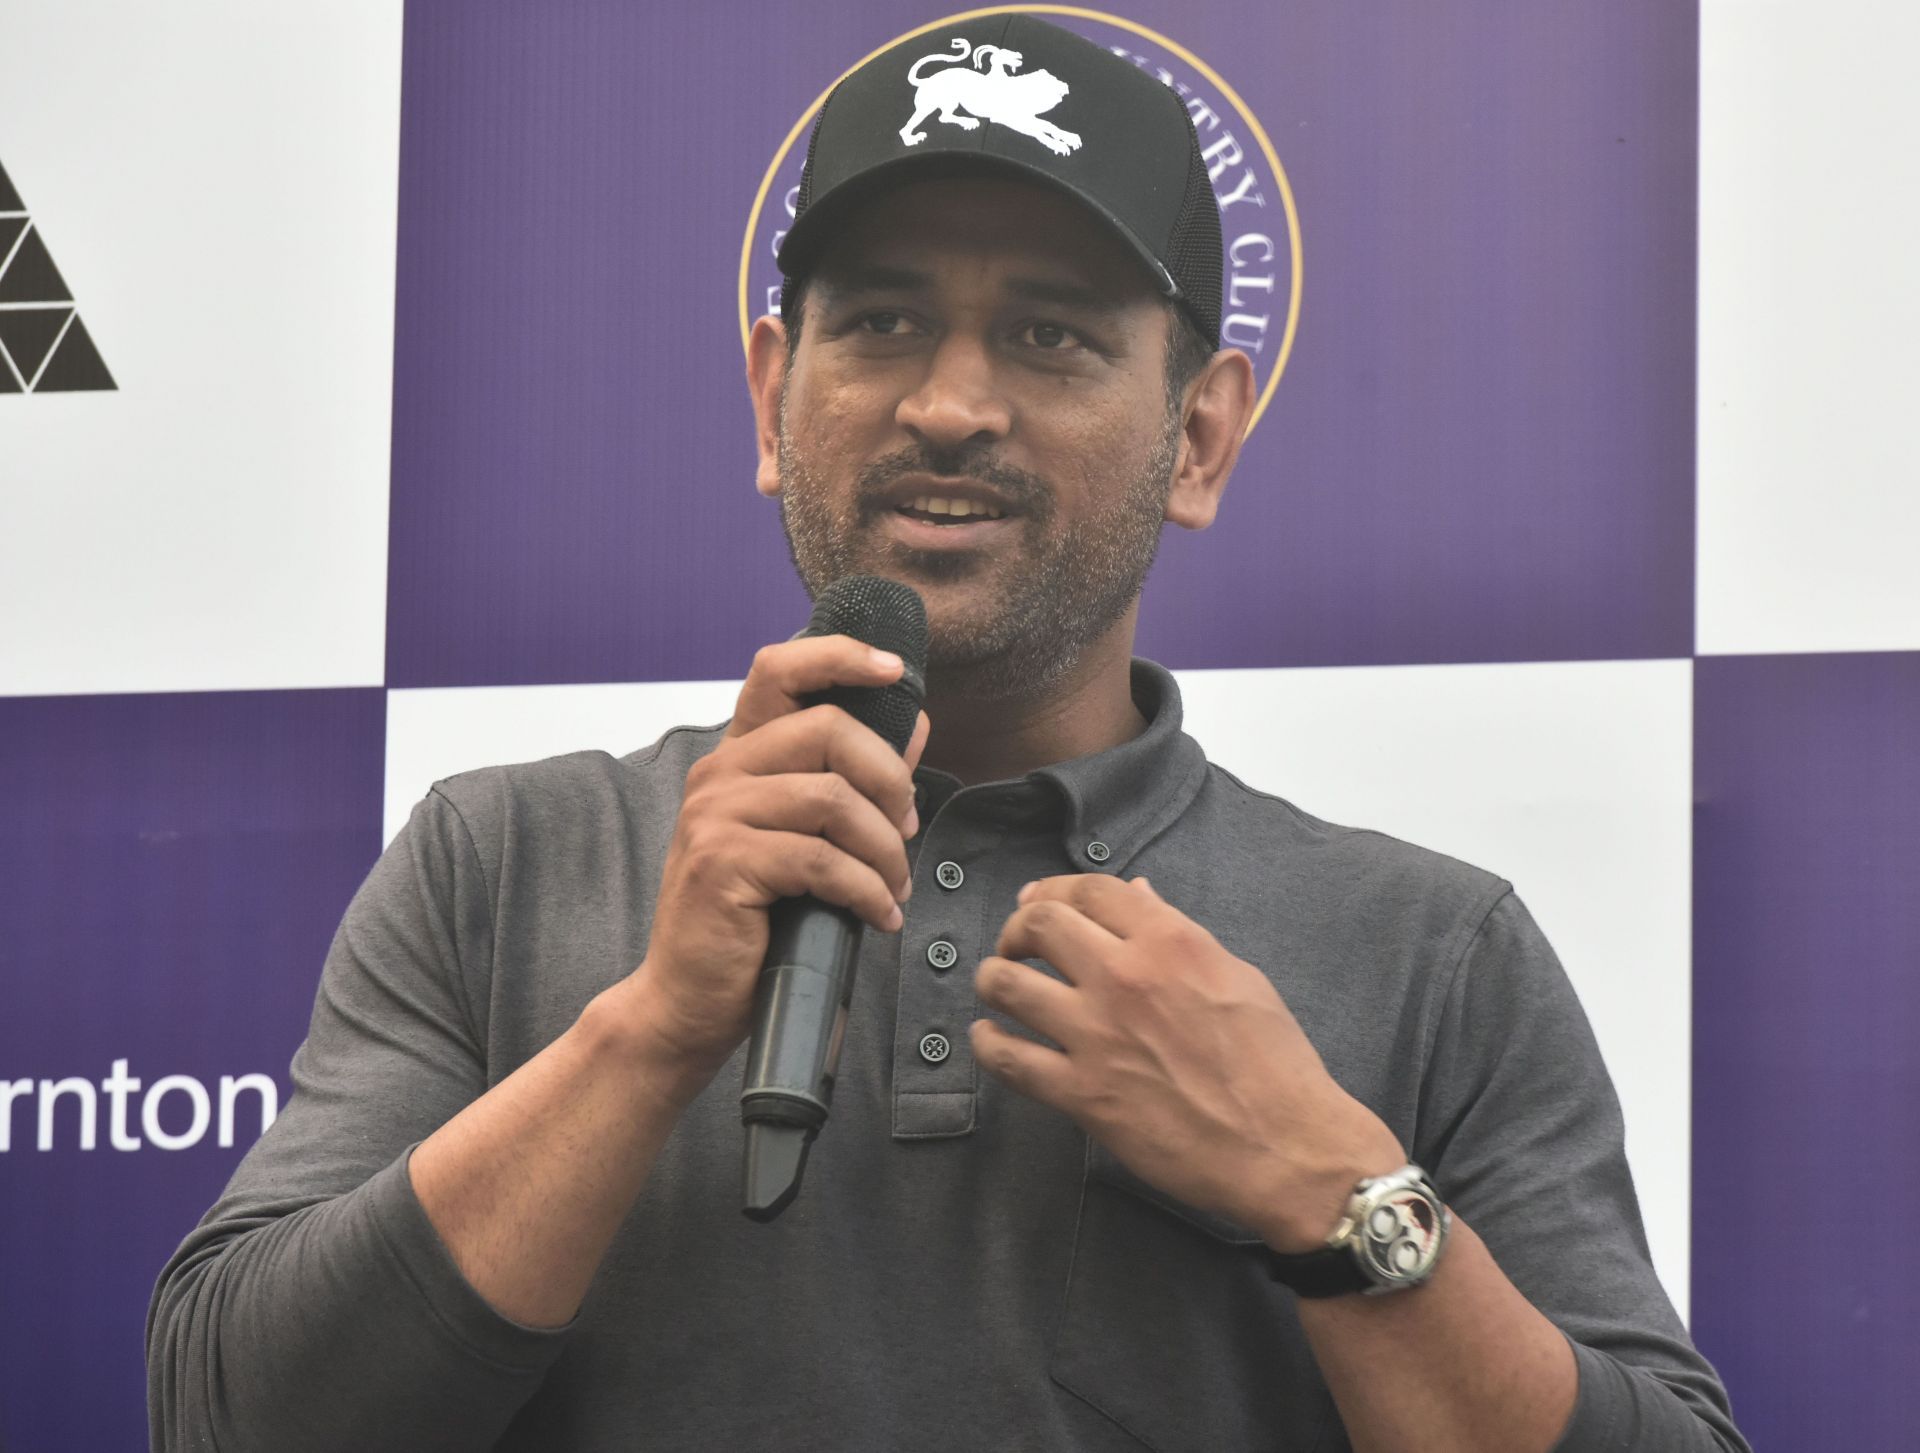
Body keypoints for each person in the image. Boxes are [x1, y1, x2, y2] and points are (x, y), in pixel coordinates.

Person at [148, 16, 1748, 1452]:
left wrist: (1337, 1197)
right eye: (884, 324)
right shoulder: (499, 861)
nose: (951, 404)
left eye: (1051, 335)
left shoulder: (1430, 946)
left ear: (1200, 434)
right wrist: (645, 1031)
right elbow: (227, 1417)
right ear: (773, 393)